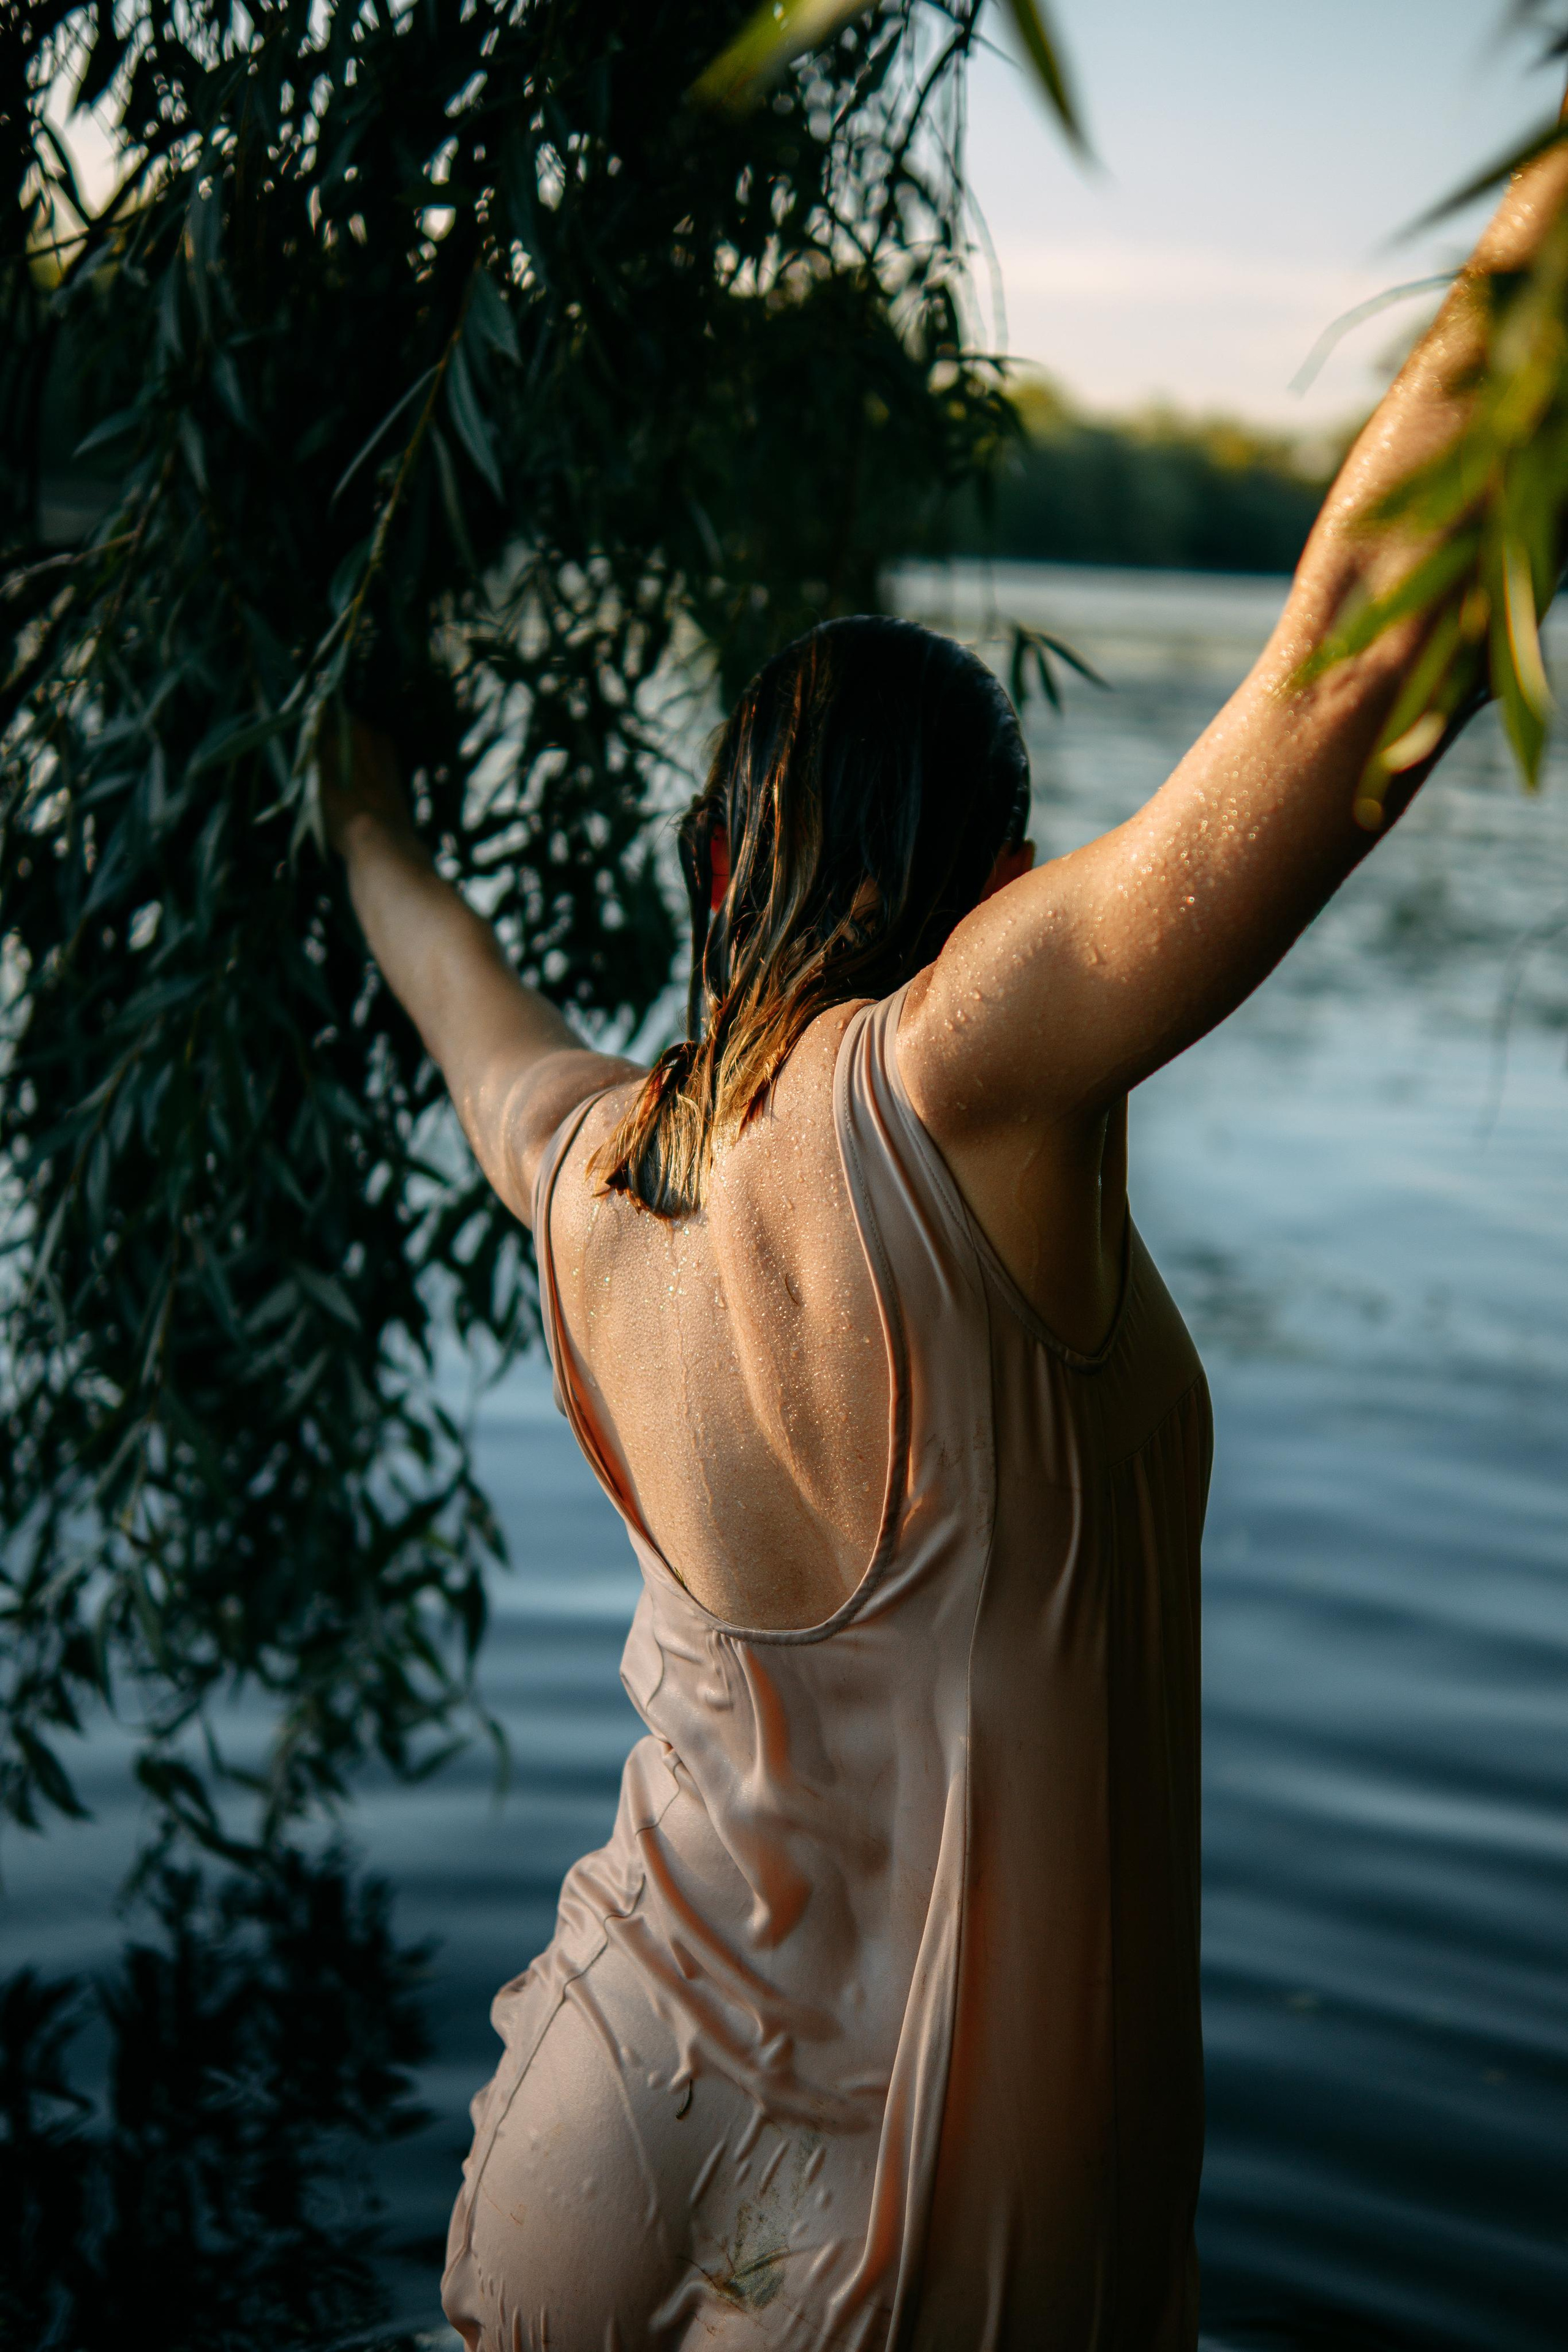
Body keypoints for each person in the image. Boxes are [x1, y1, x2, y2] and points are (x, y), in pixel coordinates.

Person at [325, 135, 1568, 2352]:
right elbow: (1346, 691)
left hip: (598, 2100)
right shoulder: (970, 1082)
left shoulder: (593, 1168)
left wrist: (354, 793)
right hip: (904, 2225)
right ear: (998, 878)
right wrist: (1537, 270)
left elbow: (449, 989)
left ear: (715, 872)